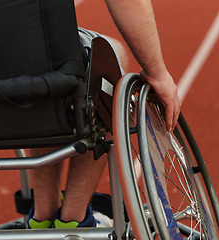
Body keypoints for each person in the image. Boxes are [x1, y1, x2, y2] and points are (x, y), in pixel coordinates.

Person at [28, 0, 181, 228]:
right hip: (39, 57)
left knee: (31, 64)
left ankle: (43, 216)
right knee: (110, 57)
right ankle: (75, 219)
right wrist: (157, 73)